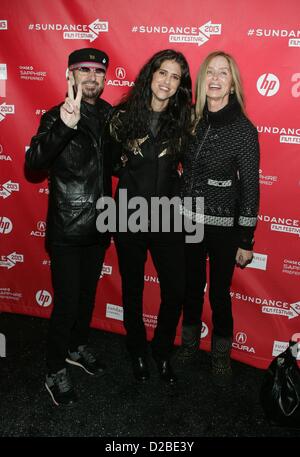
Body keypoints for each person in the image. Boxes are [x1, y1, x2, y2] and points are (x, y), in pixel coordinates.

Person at [26, 48, 112, 406]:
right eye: (83, 70)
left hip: (100, 225)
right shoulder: (55, 116)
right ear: (70, 75)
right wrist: (65, 125)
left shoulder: (111, 116)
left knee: (86, 297)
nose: (92, 77)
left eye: (98, 72)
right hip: (66, 228)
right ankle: (53, 368)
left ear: (105, 78)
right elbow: (33, 164)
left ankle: (77, 348)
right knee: (65, 303)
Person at [107, 49, 192, 384]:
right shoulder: (122, 116)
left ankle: (160, 352)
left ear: (180, 85)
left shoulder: (185, 119)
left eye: (175, 77)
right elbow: (110, 163)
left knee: (176, 290)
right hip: (128, 216)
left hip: (167, 219)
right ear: (150, 75)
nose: (167, 81)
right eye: (162, 73)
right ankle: (137, 351)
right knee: (132, 289)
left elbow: (189, 166)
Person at [179, 51, 260, 386]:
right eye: (209, 72)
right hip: (188, 220)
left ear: (232, 83)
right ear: (201, 80)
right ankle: (187, 345)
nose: (214, 78)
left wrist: (246, 238)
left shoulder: (243, 129)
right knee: (191, 287)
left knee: (219, 293)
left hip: (225, 226)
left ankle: (221, 355)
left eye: (222, 73)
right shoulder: (193, 120)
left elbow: (251, 188)